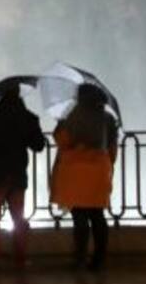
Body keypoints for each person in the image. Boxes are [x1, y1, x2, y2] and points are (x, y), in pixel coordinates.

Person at [0, 82, 46, 275]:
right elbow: (39, 145)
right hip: (16, 175)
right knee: (18, 218)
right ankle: (20, 259)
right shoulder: (28, 118)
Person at [51, 83, 119, 271]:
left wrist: (60, 124)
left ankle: (80, 258)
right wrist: (107, 165)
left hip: (75, 171)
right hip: (99, 171)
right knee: (98, 215)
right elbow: (112, 150)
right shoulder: (108, 118)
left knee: (79, 216)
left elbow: (62, 141)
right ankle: (99, 259)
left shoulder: (72, 115)